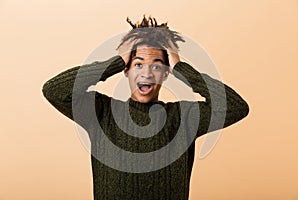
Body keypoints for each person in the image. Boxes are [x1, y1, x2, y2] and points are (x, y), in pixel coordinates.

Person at [42, 16, 249, 200]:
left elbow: (235, 107)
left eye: (157, 66)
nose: (147, 73)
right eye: (138, 64)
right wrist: (116, 61)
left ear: (166, 74)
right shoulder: (101, 112)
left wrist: (180, 67)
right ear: (126, 71)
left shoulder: (183, 117)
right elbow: (54, 90)